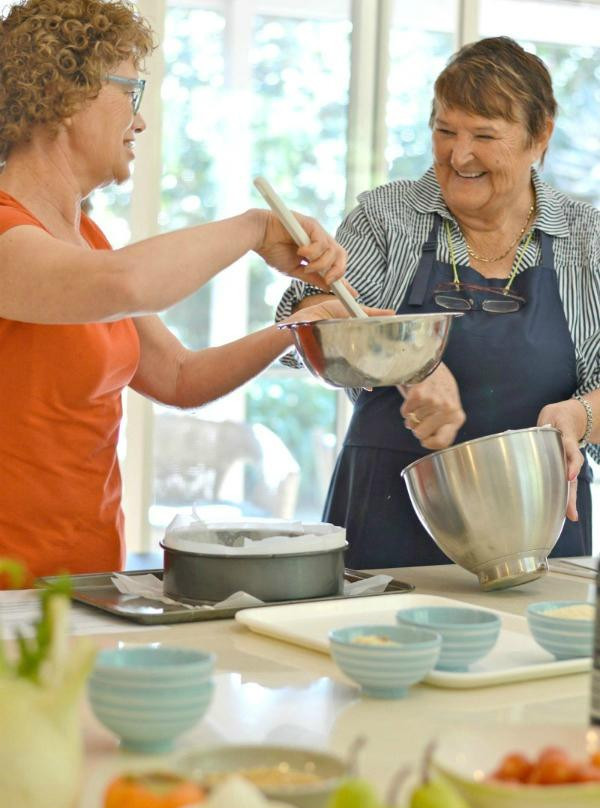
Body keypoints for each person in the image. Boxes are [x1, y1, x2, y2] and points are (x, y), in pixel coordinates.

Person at [0, 0, 385, 581]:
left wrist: (305, 326)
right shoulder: (8, 234)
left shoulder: (89, 238)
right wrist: (255, 228)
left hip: (86, 584)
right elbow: (127, 283)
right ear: (65, 95)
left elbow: (179, 377)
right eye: (130, 91)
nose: (140, 119)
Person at [277, 36, 600, 569]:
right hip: (384, 519)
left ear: (539, 136)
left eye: (484, 135)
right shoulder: (387, 217)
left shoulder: (588, 242)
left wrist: (579, 415)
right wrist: (407, 358)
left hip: (537, 530)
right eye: (445, 131)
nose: (459, 154)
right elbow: (309, 319)